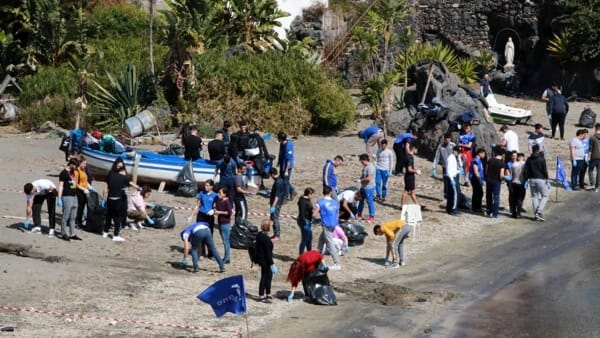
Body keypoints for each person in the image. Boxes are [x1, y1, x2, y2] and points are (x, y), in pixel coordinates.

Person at [102, 164, 140, 242]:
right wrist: (139, 188)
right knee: (118, 217)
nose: (125, 174)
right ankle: (116, 235)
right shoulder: (123, 177)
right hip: (117, 200)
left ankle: (105, 232)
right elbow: (132, 184)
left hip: (110, 199)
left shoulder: (111, 176)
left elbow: (107, 188)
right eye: (125, 172)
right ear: (122, 171)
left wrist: (104, 198)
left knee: (109, 216)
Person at [313, 186, 341, 270]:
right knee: (321, 241)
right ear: (330, 193)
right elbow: (336, 213)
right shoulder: (335, 202)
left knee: (330, 244)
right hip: (334, 224)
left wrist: (315, 219)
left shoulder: (320, 202)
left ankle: (337, 263)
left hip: (326, 225)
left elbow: (314, 214)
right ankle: (317, 260)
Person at [188, 179, 218, 258]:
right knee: (200, 234)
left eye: (207, 185)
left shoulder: (215, 195)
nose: (205, 187)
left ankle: (210, 253)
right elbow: (197, 205)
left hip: (209, 216)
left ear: (211, 187)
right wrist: (191, 215)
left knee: (210, 235)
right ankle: (201, 252)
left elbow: (217, 206)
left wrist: (213, 210)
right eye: (205, 185)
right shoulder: (201, 193)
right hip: (201, 215)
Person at [524, 144, 549, 221]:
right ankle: (539, 211)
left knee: (534, 197)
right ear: (538, 150)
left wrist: (526, 179)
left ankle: (536, 214)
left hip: (531, 179)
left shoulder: (529, 159)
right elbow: (544, 169)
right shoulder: (541, 159)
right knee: (545, 195)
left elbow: (526, 170)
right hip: (540, 179)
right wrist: (546, 178)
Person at [57, 158, 80, 241]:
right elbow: (61, 185)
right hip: (67, 196)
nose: (76, 168)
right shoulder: (63, 173)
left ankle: (72, 233)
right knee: (65, 216)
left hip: (74, 195)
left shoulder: (73, 172)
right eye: (75, 166)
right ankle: (63, 233)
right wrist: (59, 198)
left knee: (73, 216)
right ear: (71, 164)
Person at [256, 219, 276, 303]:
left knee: (268, 276)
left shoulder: (259, 235)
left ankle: (268, 293)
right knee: (265, 277)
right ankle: (261, 294)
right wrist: (272, 264)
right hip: (265, 260)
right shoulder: (266, 239)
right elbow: (268, 253)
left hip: (261, 259)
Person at [433, 133, 456, 198]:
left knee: (452, 181)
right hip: (445, 167)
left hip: (452, 167)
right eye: (446, 139)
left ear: (450, 139)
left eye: (448, 139)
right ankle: (446, 194)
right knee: (445, 181)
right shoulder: (440, 146)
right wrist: (434, 167)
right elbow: (437, 156)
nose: (447, 141)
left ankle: (453, 194)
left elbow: (458, 155)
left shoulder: (453, 145)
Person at [486, 148, 506, 218]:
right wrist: (504, 179)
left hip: (489, 180)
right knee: (496, 197)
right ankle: (495, 214)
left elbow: (486, 171)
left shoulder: (490, 160)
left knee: (488, 196)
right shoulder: (501, 163)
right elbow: (501, 175)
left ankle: (488, 211)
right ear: (502, 154)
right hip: (496, 181)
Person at [214, 187, 233, 264]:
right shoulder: (220, 200)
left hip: (225, 223)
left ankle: (227, 258)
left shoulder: (227, 202)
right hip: (221, 222)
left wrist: (219, 212)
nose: (218, 194)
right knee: (225, 241)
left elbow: (229, 212)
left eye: (220, 193)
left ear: (224, 194)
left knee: (226, 241)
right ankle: (226, 257)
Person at [74, 155, 93, 230]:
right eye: (84, 164)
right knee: (79, 208)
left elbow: (85, 180)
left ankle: (80, 222)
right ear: (80, 163)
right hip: (79, 191)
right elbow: (75, 184)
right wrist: (83, 189)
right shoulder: (76, 171)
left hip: (85, 191)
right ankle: (76, 223)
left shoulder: (83, 170)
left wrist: (89, 186)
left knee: (82, 208)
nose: (85, 165)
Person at [277, 132, 297, 201]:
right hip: (282, 163)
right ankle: (292, 191)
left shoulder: (288, 146)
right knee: (284, 180)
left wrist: (286, 170)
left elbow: (289, 159)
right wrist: (279, 162)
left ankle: (286, 196)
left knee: (285, 181)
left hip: (287, 166)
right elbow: (280, 153)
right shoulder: (282, 144)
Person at [357, 153, 376, 222]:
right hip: (363, 187)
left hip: (369, 187)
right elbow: (363, 176)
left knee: (369, 202)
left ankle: (371, 216)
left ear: (364, 160)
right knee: (360, 201)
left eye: (361, 161)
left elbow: (369, 178)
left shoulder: (370, 167)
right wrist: (359, 179)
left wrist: (360, 180)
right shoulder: (365, 167)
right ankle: (359, 214)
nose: (361, 163)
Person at [269, 168, 285, 240]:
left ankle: (277, 235)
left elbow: (277, 196)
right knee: (273, 218)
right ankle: (275, 234)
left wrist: (273, 206)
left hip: (276, 203)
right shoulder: (280, 180)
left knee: (275, 218)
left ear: (272, 174)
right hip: (277, 202)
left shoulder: (278, 182)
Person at [297, 187, 315, 255]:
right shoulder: (303, 201)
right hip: (305, 222)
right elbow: (302, 212)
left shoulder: (306, 200)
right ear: (309, 194)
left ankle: (309, 253)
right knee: (305, 239)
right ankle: (301, 255)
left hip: (308, 221)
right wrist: (304, 222)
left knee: (309, 238)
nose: (312, 196)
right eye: (312, 194)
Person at [445, 145, 462, 215]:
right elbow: (449, 170)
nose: (458, 153)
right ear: (454, 151)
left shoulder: (455, 158)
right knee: (455, 194)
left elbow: (458, 166)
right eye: (458, 152)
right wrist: (452, 179)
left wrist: (459, 158)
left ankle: (449, 208)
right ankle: (453, 209)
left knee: (452, 194)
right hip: (451, 177)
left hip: (453, 177)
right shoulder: (451, 158)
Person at [469, 148, 486, 214]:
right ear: (480, 153)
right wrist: (479, 179)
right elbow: (476, 171)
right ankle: (476, 207)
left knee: (479, 193)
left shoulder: (479, 160)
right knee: (478, 193)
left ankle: (477, 207)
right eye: (483, 153)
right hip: (476, 179)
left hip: (479, 178)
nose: (484, 155)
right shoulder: (475, 160)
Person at [588, 123, 600, 192]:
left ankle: (592, 183)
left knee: (590, 170)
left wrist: (588, 157)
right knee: (599, 172)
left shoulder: (592, 137)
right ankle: (597, 187)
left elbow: (590, 148)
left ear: (596, 128)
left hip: (594, 156)